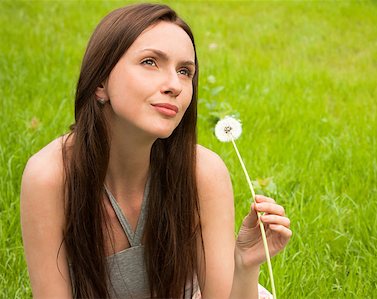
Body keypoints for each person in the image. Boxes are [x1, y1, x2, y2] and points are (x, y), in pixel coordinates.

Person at [20, 3, 292, 298]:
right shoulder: (50, 178)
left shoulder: (203, 172)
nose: (175, 85)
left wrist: (244, 264)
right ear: (100, 82)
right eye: (150, 62)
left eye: (185, 71)